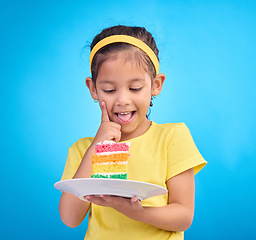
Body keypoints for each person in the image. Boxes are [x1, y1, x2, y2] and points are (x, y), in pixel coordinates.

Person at [59, 25, 207, 240]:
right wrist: (97, 148)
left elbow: (184, 216)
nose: (122, 100)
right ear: (93, 89)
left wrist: (137, 213)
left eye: (135, 88)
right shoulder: (82, 149)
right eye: (109, 90)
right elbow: (70, 219)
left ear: (156, 85)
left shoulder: (172, 137)